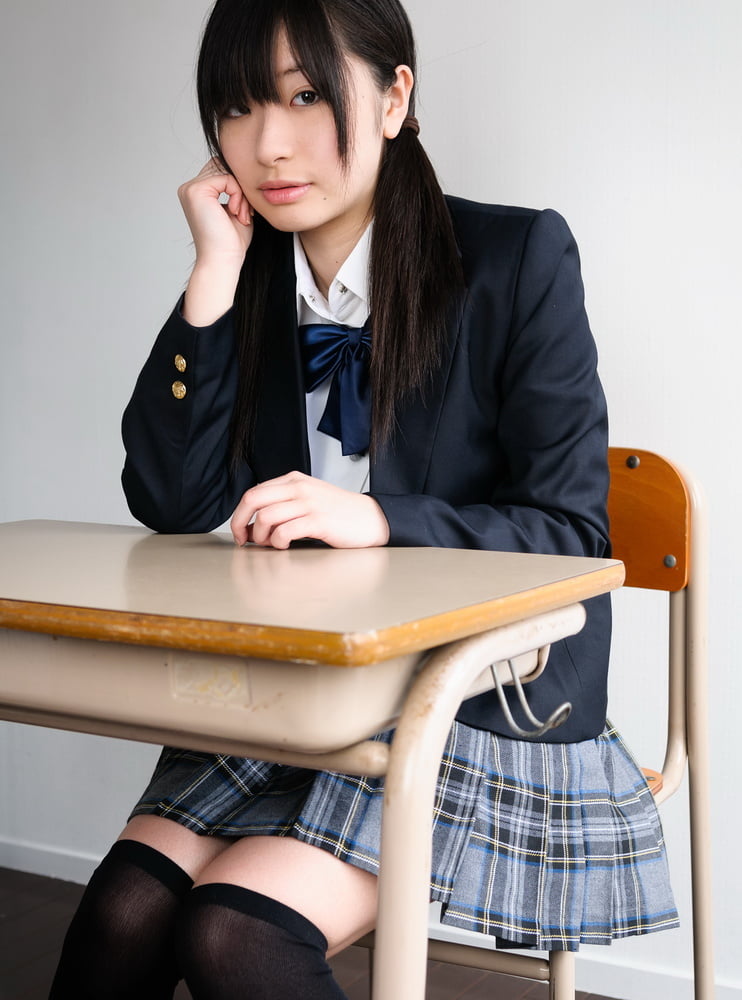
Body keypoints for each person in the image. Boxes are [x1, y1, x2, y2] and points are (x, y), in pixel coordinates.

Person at [50, 0, 678, 997]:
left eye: (306, 96)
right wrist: (211, 275)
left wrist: (380, 520)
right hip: (305, 690)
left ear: (393, 99)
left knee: (235, 934)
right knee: (122, 915)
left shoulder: (514, 260)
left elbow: (570, 533)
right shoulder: (251, 276)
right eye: (238, 106)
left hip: (473, 695)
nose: (269, 143)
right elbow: (171, 498)